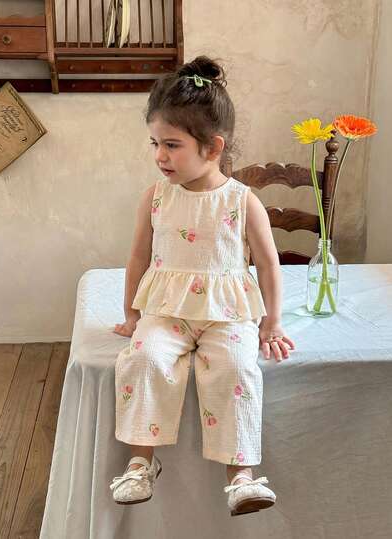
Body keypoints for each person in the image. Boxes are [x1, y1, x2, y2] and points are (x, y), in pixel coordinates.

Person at [109, 55, 296, 516]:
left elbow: (269, 265)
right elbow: (137, 257)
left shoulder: (242, 201)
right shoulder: (155, 197)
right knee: (144, 358)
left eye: (172, 145)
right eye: (155, 143)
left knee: (236, 368)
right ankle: (140, 462)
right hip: (167, 312)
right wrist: (132, 315)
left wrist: (272, 322)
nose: (160, 156)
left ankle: (241, 476)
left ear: (213, 147)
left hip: (226, 315)